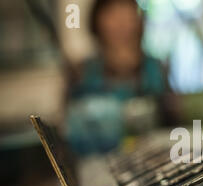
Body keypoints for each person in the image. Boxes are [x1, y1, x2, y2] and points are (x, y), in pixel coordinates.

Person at [65, 0, 168, 155]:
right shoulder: (80, 72)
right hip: (95, 166)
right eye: (112, 13)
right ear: (97, 20)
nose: (121, 22)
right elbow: (68, 128)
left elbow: (169, 120)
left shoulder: (157, 68)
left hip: (152, 162)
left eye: (127, 12)